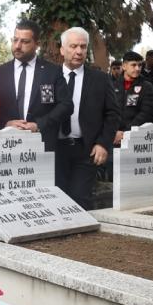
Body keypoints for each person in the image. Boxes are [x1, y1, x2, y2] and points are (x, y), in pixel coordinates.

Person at [54, 27, 120, 210]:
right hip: (55, 149)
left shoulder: (100, 79)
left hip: (86, 150)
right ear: (62, 49)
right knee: (56, 199)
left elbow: (113, 113)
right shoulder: (49, 76)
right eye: (73, 46)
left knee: (79, 199)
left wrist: (103, 144)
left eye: (83, 47)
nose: (79, 51)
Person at [0, 19, 72, 151]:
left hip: (42, 145)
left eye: (25, 41)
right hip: (7, 147)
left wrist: (39, 125)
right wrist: (5, 123)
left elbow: (66, 105)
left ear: (37, 44)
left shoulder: (52, 71)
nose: (17, 46)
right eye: (15, 40)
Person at [112, 51, 153, 146]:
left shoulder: (147, 86)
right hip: (114, 137)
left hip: (136, 139)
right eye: (133, 65)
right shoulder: (112, 86)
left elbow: (146, 113)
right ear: (124, 66)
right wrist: (113, 132)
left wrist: (126, 133)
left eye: (140, 65)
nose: (137, 68)